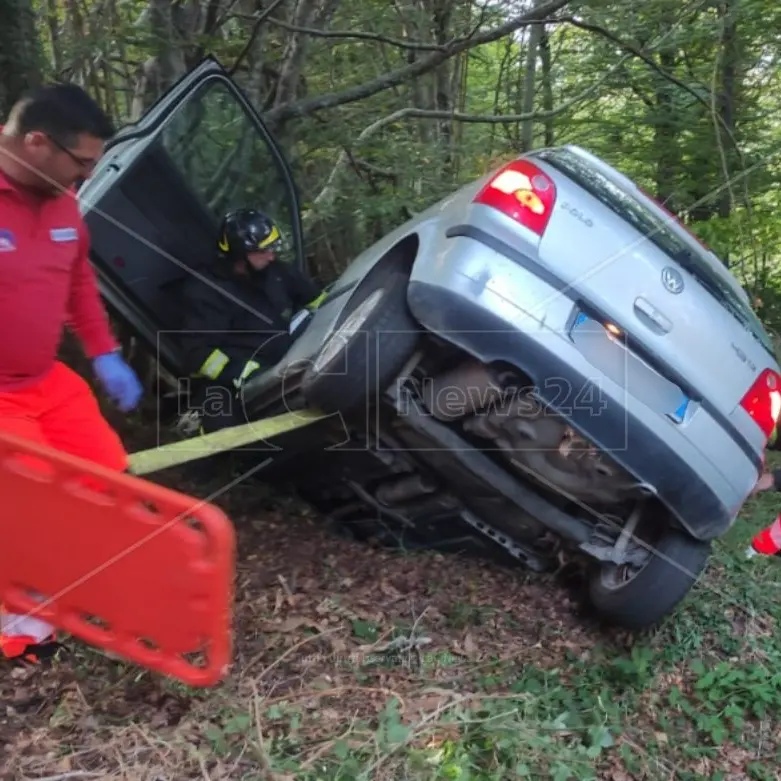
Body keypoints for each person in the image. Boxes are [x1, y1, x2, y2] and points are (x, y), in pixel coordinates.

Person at [0, 84, 144, 664]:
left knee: (108, 477)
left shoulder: (62, 200)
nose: (87, 175)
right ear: (37, 143)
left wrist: (104, 351)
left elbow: (78, 281)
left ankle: (76, 590)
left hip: (44, 380)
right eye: (82, 162)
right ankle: (22, 632)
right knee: (31, 504)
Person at [176, 208, 325, 434]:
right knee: (222, 429)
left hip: (291, 357)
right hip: (234, 379)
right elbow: (196, 354)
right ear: (240, 254)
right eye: (263, 251)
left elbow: (317, 300)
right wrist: (242, 371)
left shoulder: (277, 272)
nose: (271, 256)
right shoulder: (203, 292)